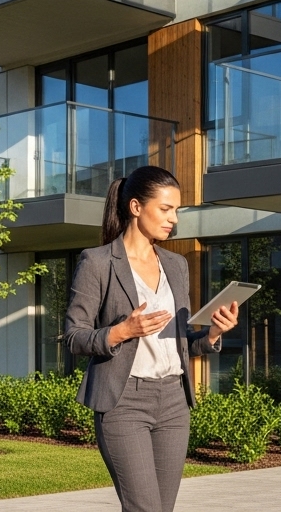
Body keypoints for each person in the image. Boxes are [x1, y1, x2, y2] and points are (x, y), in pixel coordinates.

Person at [66, 166, 239, 512]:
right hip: (124, 400)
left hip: (175, 400)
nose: (173, 219)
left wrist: (214, 332)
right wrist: (121, 331)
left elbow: (183, 340)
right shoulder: (98, 262)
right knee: (145, 508)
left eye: (176, 210)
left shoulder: (175, 265)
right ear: (135, 207)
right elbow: (74, 335)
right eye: (165, 209)